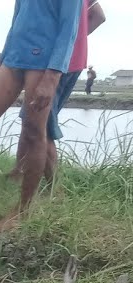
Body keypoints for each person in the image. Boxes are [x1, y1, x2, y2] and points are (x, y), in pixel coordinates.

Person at [0, 0, 85, 231]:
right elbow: (15, 24)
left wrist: (52, 77)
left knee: (33, 133)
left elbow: (69, 30)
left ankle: (23, 211)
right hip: (13, 59)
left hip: (43, 62)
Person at [8, 1, 106, 187]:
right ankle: (18, 171)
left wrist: (70, 40)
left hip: (59, 65)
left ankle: (54, 189)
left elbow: (99, 16)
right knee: (30, 117)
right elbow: (98, 15)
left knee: (42, 124)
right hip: (58, 61)